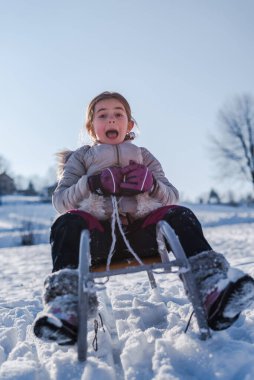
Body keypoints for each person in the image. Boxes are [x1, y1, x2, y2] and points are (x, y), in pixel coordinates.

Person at [34, 91, 254, 345]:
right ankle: (68, 308)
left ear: (129, 124)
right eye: (102, 115)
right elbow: (60, 201)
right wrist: (91, 183)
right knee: (66, 222)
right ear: (91, 127)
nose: (111, 120)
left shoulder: (144, 156)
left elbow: (171, 196)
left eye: (118, 114)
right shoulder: (80, 158)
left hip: (143, 236)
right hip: (99, 241)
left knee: (180, 214)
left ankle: (212, 291)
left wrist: (151, 185)